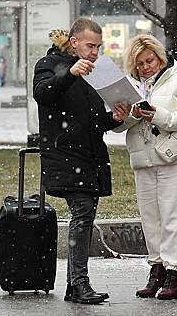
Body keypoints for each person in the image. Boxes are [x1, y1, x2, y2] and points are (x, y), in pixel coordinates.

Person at [33, 18, 124, 304]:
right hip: (64, 155)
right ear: (74, 42)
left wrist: (116, 117)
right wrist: (71, 73)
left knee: (85, 215)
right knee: (82, 213)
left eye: (98, 46)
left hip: (89, 157)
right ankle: (79, 282)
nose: (95, 52)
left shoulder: (92, 74)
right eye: (90, 45)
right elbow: (43, 93)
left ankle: (75, 285)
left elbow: (94, 120)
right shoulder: (50, 64)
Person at [112, 34, 177, 300]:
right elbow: (119, 125)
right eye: (139, 63)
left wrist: (159, 115)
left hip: (175, 158)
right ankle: (157, 269)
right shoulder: (131, 85)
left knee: (175, 216)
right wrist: (128, 115)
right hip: (143, 160)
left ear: (160, 57)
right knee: (151, 218)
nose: (145, 67)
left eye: (149, 60)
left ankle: (175, 273)